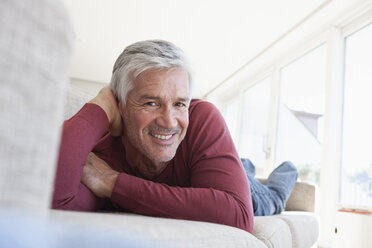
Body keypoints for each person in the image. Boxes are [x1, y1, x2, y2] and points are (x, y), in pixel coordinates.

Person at [52, 39, 297, 233]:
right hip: (208, 172)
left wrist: (113, 183)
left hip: (228, 181)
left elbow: (239, 215)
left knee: (271, 200)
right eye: (150, 102)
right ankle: (244, 166)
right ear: (121, 106)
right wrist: (101, 105)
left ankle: (280, 173)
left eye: (180, 104)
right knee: (241, 169)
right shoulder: (100, 156)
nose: (169, 121)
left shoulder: (201, 117)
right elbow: (55, 205)